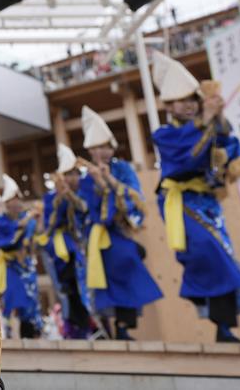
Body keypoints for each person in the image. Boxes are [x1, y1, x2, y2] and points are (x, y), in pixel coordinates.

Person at [150, 51, 240, 343]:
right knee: (205, 251)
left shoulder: (209, 125)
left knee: (220, 254)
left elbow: (228, 145)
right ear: (169, 106)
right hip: (180, 202)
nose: (188, 106)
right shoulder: (163, 134)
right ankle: (213, 313)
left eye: (192, 100)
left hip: (207, 202)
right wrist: (205, 122)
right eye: (181, 101)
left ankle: (223, 326)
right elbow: (185, 160)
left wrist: (219, 120)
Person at [80, 106, 162, 340]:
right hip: (102, 234)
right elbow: (96, 214)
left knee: (127, 260)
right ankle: (116, 327)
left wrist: (110, 181)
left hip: (122, 231)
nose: (102, 152)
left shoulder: (123, 169)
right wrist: (100, 185)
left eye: (106, 146)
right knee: (113, 269)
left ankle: (125, 325)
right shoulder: (88, 180)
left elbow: (136, 198)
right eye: (97, 147)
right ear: (90, 151)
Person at [38, 145, 91, 339]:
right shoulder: (51, 198)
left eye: (76, 173)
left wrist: (69, 196)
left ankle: (91, 324)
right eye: (68, 174)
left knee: (85, 285)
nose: (73, 178)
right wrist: (62, 197)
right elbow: (50, 225)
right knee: (68, 287)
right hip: (61, 247)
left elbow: (84, 211)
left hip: (82, 245)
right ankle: (75, 325)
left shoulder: (83, 194)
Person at [0, 175, 42, 339]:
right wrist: (28, 218)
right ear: (7, 204)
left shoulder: (27, 220)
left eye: (19, 199)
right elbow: (11, 234)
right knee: (12, 298)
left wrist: (38, 217)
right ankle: (9, 333)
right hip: (10, 266)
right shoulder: (1, 220)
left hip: (26, 266)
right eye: (14, 200)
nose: (18, 203)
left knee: (30, 300)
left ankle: (31, 333)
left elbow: (39, 233)